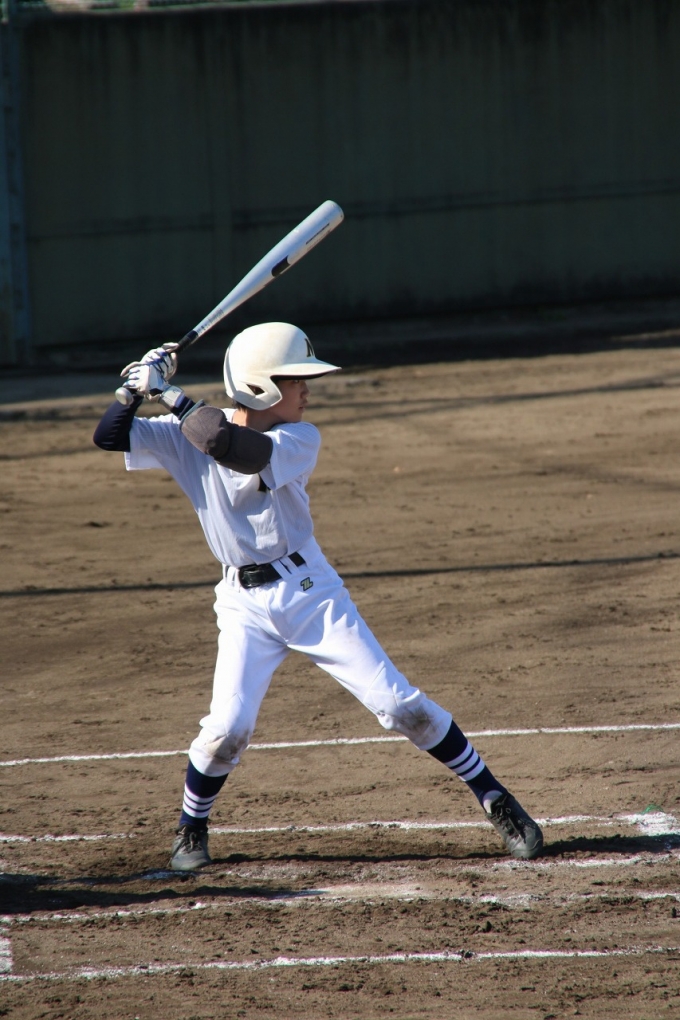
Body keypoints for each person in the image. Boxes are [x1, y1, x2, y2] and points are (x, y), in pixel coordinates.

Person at [93, 322, 543, 871]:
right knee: (226, 731)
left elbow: (227, 445)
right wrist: (132, 390)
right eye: (296, 380)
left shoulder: (297, 439)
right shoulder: (182, 430)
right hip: (241, 603)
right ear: (260, 386)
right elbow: (109, 435)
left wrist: (167, 391)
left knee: (399, 705)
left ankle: (495, 797)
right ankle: (191, 828)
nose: (307, 389)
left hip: (310, 594)